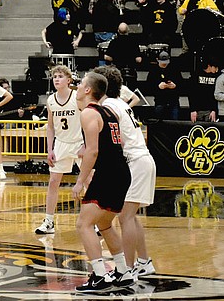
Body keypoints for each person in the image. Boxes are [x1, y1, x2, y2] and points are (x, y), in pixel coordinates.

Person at [72, 72, 132, 293]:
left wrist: (80, 182)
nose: (77, 86)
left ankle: (99, 275)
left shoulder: (89, 113)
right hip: (122, 172)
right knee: (104, 224)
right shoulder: (109, 111)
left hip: (108, 174)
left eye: (80, 84)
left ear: (88, 90)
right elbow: (120, 142)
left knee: (83, 224)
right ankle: (123, 271)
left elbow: (93, 150)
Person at [95, 66, 157, 285]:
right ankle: (144, 262)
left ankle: (127, 269)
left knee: (125, 217)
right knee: (130, 215)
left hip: (135, 161)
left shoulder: (109, 105)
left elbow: (118, 140)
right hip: (141, 159)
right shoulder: (119, 102)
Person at [34, 65, 83, 236]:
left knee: (90, 180)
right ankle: (49, 222)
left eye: (60, 76)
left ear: (69, 80)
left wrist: (87, 143)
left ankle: (94, 221)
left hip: (79, 142)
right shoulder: (51, 100)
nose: (56, 79)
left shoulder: (78, 97)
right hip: (61, 143)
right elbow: (50, 128)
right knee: (54, 181)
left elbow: (89, 119)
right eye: (54, 76)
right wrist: (49, 149)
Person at [146, 51, 182, 120]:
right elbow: (148, 87)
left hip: (173, 101)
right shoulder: (153, 71)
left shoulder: (175, 70)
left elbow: (181, 84)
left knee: (175, 123)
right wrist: (158, 87)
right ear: (157, 60)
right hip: (160, 101)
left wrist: (175, 86)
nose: (164, 64)